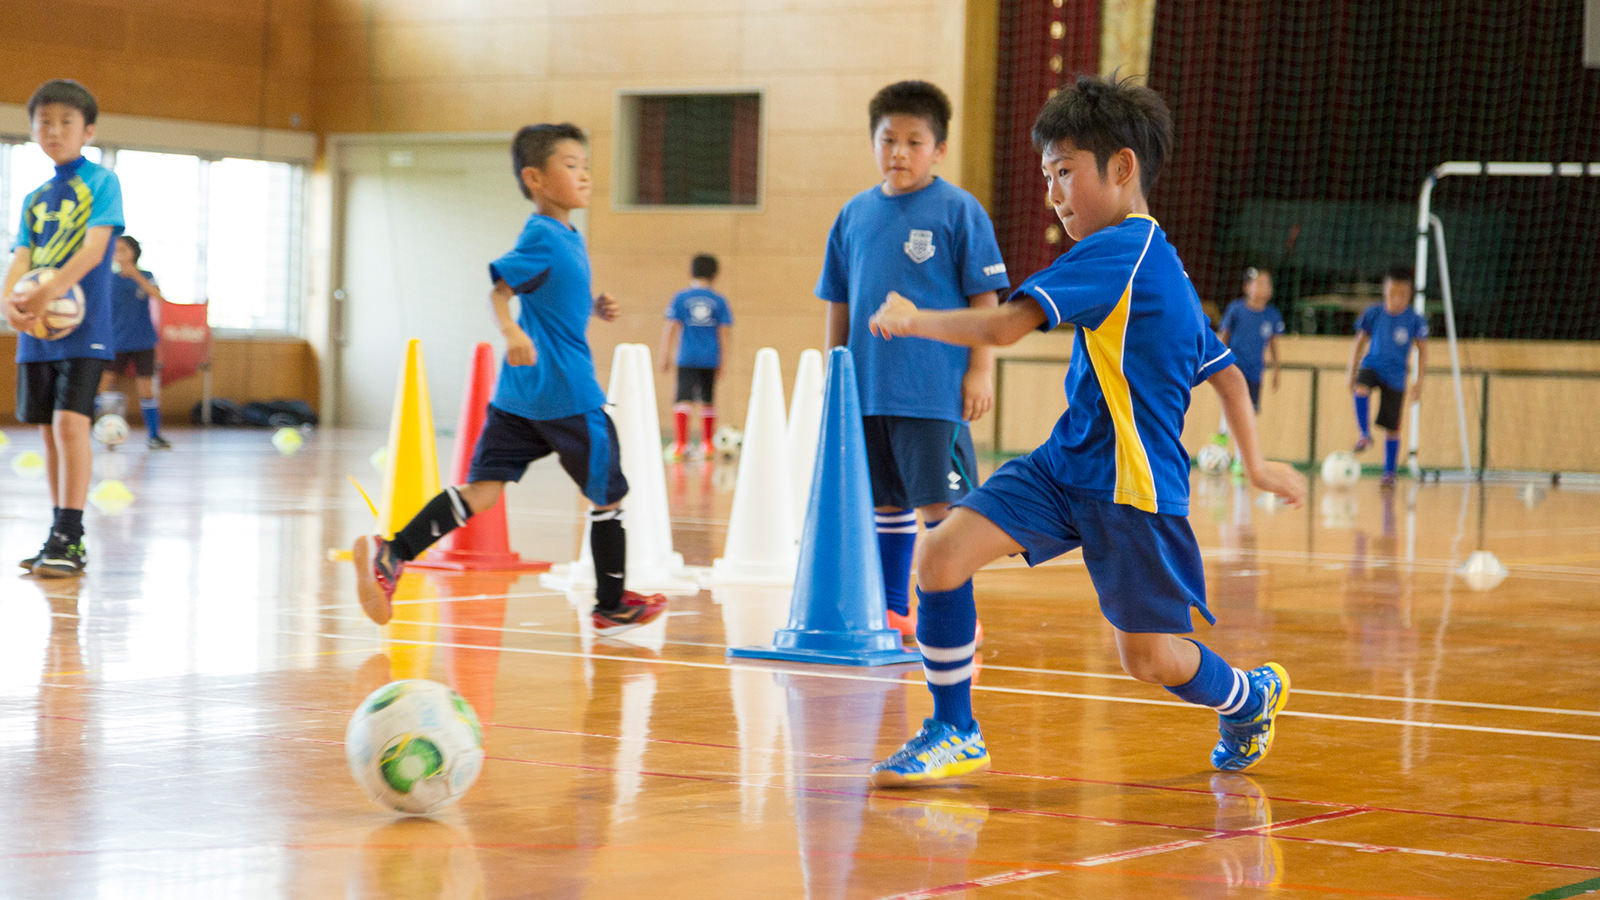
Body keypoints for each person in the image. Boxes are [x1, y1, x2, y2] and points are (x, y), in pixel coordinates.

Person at [863, 73, 1308, 787]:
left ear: (1122, 168)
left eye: (1064, 173)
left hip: (1132, 490)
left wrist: (915, 319)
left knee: (1152, 659)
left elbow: (1008, 325)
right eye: (1047, 177)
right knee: (939, 557)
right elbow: (1223, 371)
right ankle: (954, 729)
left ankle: (1247, 696)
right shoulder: (1159, 261)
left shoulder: (1122, 250)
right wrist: (1254, 464)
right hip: (1063, 465)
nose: (1053, 195)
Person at [351, 123, 667, 635]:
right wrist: (510, 330)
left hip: (519, 398)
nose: (584, 174)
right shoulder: (542, 236)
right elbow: (500, 293)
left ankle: (392, 554)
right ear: (535, 178)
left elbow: (550, 299)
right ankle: (612, 604)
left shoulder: (565, 236)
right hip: (568, 394)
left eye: (585, 165)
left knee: (482, 491)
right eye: (570, 165)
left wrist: (591, 306)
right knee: (607, 495)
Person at [816, 80, 1010, 642]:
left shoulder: (959, 210)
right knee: (884, 503)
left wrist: (979, 370)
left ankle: (957, 615)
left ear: (938, 149)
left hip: (932, 392)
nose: (899, 152)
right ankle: (895, 609)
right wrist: (837, 372)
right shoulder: (853, 214)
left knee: (938, 506)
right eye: (888, 139)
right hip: (868, 389)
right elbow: (840, 301)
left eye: (914, 141)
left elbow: (986, 302)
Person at [4, 79, 124, 578]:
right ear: (33, 129)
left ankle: (72, 538)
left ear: (88, 130)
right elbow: (21, 257)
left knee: (70, 424)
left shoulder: (101, 182)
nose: (54, 131)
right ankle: (57, 532)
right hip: (38, 327)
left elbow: (95, 250)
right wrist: (11, 304)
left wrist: (47, 294)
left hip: (84, 324)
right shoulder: (35, 197)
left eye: (66, 122)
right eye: (44, 121)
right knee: (48, 435)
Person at [1348, 265, 1427, 488]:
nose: (1396, 299)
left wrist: (1419, 381)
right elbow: (1359, 342)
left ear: (1409, 295)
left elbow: (1423, 351)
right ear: (1384, 290)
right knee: (1361, 388)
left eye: (1402, 295)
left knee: (1393, 427)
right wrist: (1351, 370)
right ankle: (1364, 434)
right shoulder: (1373, 313)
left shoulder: (1414, 320)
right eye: (1392, 293)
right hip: (1372, 365)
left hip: (1396, 375)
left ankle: (1389, 473)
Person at [97, 235, 171, 449]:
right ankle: (101, 430)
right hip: (114, 341)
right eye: (115, 249)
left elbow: (158, 297)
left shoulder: (146, 275)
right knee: (102, 386)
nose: (118, 253)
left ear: (134, 252)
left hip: (143, 341)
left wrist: (136, 275)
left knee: (147, 390)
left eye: (123, 249)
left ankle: (154, 435)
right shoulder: (107, 277)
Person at [658, 253, 733, 461]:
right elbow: (724, 333)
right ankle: (707, 445)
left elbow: (670, 327)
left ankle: (681, 445)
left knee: (683, 400)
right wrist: (723, 361)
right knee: (708, 401)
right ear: (715, 275)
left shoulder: (681, 298)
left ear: (691, 271)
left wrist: (664, 355)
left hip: (687, 357)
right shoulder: (719, 301)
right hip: (711, 357)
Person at [1211, 266, 1284, 471]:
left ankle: (1240, 460)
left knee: (1248, 414)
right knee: (1232, 403)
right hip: (1234, 367)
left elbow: (1274, 344)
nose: (1264, 288)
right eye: (1258, 283)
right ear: (1246, 287)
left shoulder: (1271, 314)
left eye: (1267, 284)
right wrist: (1218, 360)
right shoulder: (1236, 309)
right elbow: (1223, 335)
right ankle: (1222, 436)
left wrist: (1277, 369)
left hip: (1255, 372)